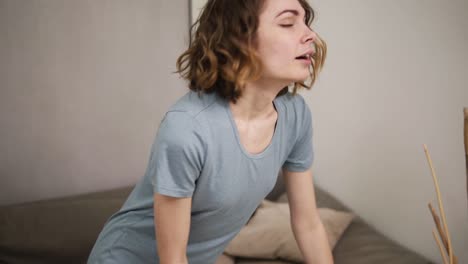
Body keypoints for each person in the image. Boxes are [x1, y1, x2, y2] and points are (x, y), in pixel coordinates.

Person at [87, 0, 331, 263]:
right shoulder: (187, 129)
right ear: (239, 38)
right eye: (287, 22)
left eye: (306, 22)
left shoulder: (296, 116)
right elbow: (173, 259)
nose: (310, 35)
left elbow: (308, 225)